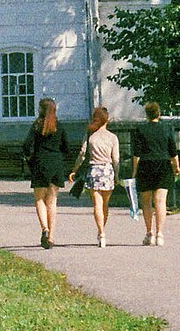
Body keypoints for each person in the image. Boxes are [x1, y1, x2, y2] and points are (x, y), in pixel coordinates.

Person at [22, 97, 71, 249]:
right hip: (56, 164)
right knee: (52, 201)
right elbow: (66, 148)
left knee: (39, 199)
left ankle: (45, 228)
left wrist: (29, 158)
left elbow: (26, 145)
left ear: (40, 110)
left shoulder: (37, 126)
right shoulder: (59, 126)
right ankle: (51, 237)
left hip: (40, 163)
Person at [68, 106, 120, 247]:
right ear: (107, 119)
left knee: (97, 204)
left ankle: (101, 232)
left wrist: (75, 169)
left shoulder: (90, 135)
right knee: (105, 204)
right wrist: (117, 175)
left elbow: (82, 154)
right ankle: (103, 229)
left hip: (94, 170)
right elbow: (116, 159)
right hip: (107, 170)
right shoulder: (112, 137)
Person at [131, 101, 179, 246]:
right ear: (159, 113)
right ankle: (160, 234)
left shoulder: (140, 130)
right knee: (160, 201)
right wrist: (176, 166)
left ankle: (149, 233)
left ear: (147, 114)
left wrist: (134, 171)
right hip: (163, 164)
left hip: (145, 165)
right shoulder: (167, 128)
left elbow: (136, 154)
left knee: (146, 201)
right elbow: (173, 150)